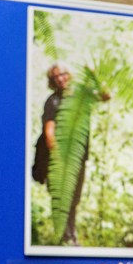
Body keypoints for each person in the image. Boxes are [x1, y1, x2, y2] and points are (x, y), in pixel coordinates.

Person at [32, 63, 87, 245]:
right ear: (52, 81)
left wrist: (93, 75)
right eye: (56, 77)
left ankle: (70, 236)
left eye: (63, 74)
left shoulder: (79, 98)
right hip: (59, 161)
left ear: (69, 75)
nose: (61, 78)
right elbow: (49, 132)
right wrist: (59, 159)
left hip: (78, 158)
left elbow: (105, 96)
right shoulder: (52, 102)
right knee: (61, 199)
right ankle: (65, 239)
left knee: (74, 199)